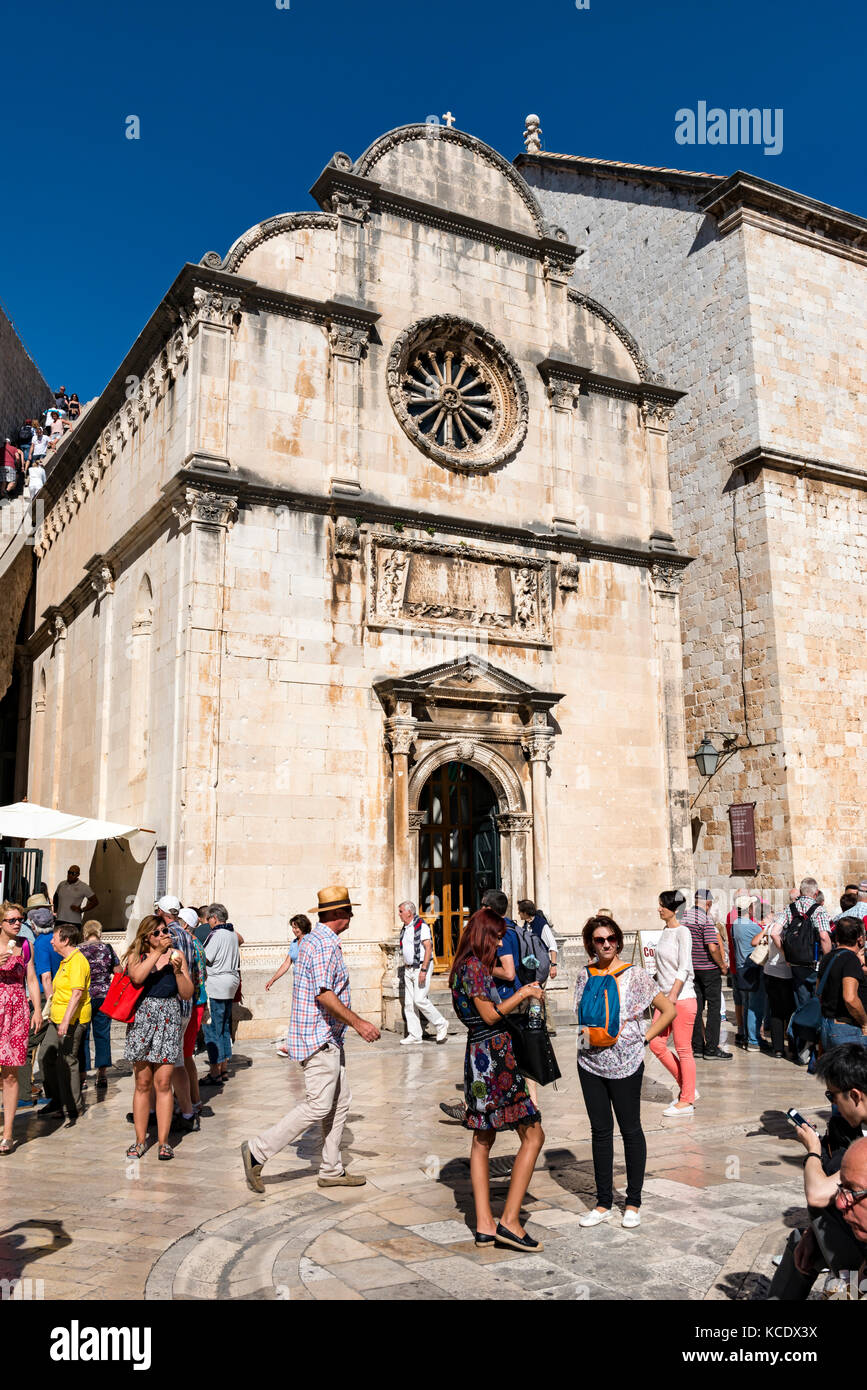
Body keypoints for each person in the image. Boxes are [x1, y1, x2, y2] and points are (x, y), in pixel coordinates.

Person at [241, 885, 380, 1194]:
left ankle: (331, 1168)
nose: (352, 915)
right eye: (348, 910)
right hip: (319, 1036)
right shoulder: (324, 945)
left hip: (325, 1034)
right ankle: (257, 1151)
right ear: (339, 914)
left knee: (339, 1102)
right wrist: (359, 1023)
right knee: (319, 1105)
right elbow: (324, 993)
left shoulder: (312, 941)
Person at [450, 907, 546, 1252]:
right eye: (496, 935)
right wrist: (524, 994)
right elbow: (490, 1015)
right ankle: (509, 1220)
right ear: (483, 936)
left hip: (476, 1056)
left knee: (482, 1138)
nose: (501, 941)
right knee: (533, 1134)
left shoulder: (462, 966)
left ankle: (484, 1224)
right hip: (494, 1058)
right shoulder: (475, 967)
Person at [574, 915, 676, 1229]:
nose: (606, 945)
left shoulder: (636, 975)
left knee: (630, 1129)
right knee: (600, 1131)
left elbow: (668, 1009)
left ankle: (633, 1202)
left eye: (610, 939)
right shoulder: (583, 974)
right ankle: (603, 1202)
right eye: (599, 940)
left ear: (618, 940)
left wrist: (644, 1038)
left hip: (626, 1062)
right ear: (591, 943)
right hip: (589, 1062)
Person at [767, 1044, 867, 1299]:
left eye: (832, 1095)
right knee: (802, 1241)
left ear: (855, 1095)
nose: (832, 1102)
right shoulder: (850, 1128)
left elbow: (818, 1194)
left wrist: (812, 1149)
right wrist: (815, 1232)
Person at [123, 915, 193, 1161]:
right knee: (142, 1082)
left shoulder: (177, 956)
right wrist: (156, 954)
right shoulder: (137, 955)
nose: (165, 934)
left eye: (165, 930)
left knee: (163, 1082)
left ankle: (164, 1142)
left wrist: (178, 972)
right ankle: (140, 1140)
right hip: (143, 1019)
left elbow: (186, 994)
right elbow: (138, 977)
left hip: (169, 1017)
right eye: (158, 932)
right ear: (147, 937)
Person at [770, 878, 833, 1064]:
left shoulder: (790, 909)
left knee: (801, 1006)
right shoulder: (819, 910)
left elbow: (774, 932)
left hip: (796, 965)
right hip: (816, 966)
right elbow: (823, 936)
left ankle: (800, 1050)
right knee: (819, 1005)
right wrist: (828, 961)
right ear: (815, 893)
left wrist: (786, 955)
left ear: (800, 891)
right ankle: (816, 1050)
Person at [650, 891, 698, 1116]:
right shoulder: (664, 932)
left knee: (683, 1048)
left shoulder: (683, 932)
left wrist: (673, 996)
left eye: (662, 905)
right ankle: (688, 1087)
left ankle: (687, 1100)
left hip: (682, 998)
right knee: (655, 1043)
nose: (659, 908)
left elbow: (684, 966)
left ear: (674, 909)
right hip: (664, 999)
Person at [39, 924, 91, 1126]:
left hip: (72, 1020)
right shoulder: (65, 961)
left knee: (67, 1060)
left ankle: (72, 1106)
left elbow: (77, 994)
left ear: (66, 940)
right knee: (46, 1056)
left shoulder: (77, 961)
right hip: (57, 1018)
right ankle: (57, 1099)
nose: (51, 941)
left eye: (54, 938)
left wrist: (67, 1021)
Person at [0, 903, 42, 1153]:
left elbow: (32, 978)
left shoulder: (26, 945)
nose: (18, 923)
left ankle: (8, 1133)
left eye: (20, 919)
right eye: (12, 919)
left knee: (11, 1071)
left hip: (16, 1009)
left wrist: (37, 1009)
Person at [683, 889, 731, 1060]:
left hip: (692, 970)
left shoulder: (685, 918)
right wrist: (722, 965)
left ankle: (697, 1046)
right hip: (709, 969)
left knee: (696, 1009)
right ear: (708, 903)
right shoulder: (705, 919)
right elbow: (712, 947)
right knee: (714, 1009)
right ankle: (711, 1048)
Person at [398, 900, 449, 1045]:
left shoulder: (421, 926)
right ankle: (415, 1035)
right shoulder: (405, 927)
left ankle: (441, 1023)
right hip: (409, 968)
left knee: (419, 999)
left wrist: (424, 970)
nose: (399, 914)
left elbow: (428, 948)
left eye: (401, 911)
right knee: (409, 1003)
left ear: (409, 912)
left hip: (421, 967)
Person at [78, 921, 120, 1089]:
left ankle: (82, 1077)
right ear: (99, 932)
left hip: (84, 997)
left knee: (83, 1036)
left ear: (85, 933)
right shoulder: (107, 949)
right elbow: (119, 971)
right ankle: (101, 1075)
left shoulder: (78, 950)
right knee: (102, 1034)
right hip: (104, 996)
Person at [202, 902, 240, 1085]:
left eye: (208, 918)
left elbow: (206, 958)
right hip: (231, 982)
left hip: (216, 984)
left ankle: (215, 1071)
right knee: (224, 1027)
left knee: (212, 1028)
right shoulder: (233, 934)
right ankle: (224, 1069)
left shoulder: (216, 934)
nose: (208, 922)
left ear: (214, 918)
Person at [816, 917, 867, 1051]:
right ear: (860, 939)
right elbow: (850, 998)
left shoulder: (828, 957)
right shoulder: (851, 960)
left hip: (827, 1025)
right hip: (847, 1029)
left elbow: (819, 991)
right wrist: (865, 1023)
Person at [176, 907, 207, 1118]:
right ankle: (191, 1099)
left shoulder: (189, 944)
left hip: (192, 1001)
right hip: (197, 1001)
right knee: (185, 1056)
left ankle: (193, 1101)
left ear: (185, 924)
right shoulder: (196, 943)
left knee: (185, 1056)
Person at [266, 914, 311, 1058]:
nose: (294, 930)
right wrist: (273, 979)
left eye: (296, 927)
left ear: (302, 926)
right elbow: (287, 963)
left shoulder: (310, 941)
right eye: (292, 927)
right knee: (297, 1015)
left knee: (307, 1015)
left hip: (309, 984)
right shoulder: (294, 943)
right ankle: (295, 1045)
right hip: (298, 985)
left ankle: (304, 1045)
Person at [759, 897, 794, 1059]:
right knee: (790, 1011)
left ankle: (778, 1048)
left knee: (775, 1011)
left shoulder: (771, 926)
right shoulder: (789, 927)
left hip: (770, 971)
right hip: (786, 973)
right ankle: (793, 1046)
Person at [730, 895, 767, 1051]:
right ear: (749, 908)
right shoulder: (753, 927)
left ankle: (746, 1036)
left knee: (746, 1004)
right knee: (755, 1005)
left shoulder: (735, 924)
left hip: (740, 967)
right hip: (752, 967)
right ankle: (753, 1040)